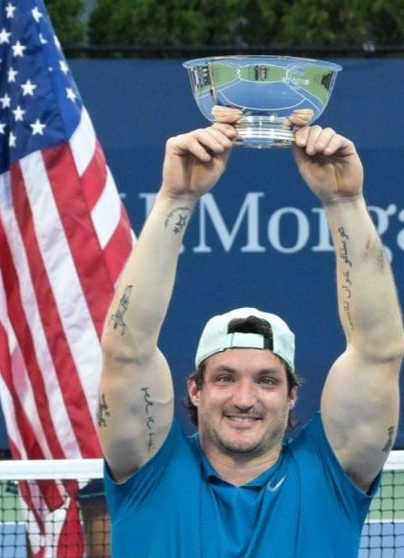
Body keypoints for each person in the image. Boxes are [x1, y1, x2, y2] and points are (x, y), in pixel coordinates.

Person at [97, 109, 404, 557]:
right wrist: (176, 197)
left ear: (292, 394)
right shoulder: (149, 470)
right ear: (195, 389)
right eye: (224, 377)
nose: (245, 398)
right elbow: (127, 351)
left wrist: (345, 202)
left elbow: (378, 352)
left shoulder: (331, 473)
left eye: (267, 380)